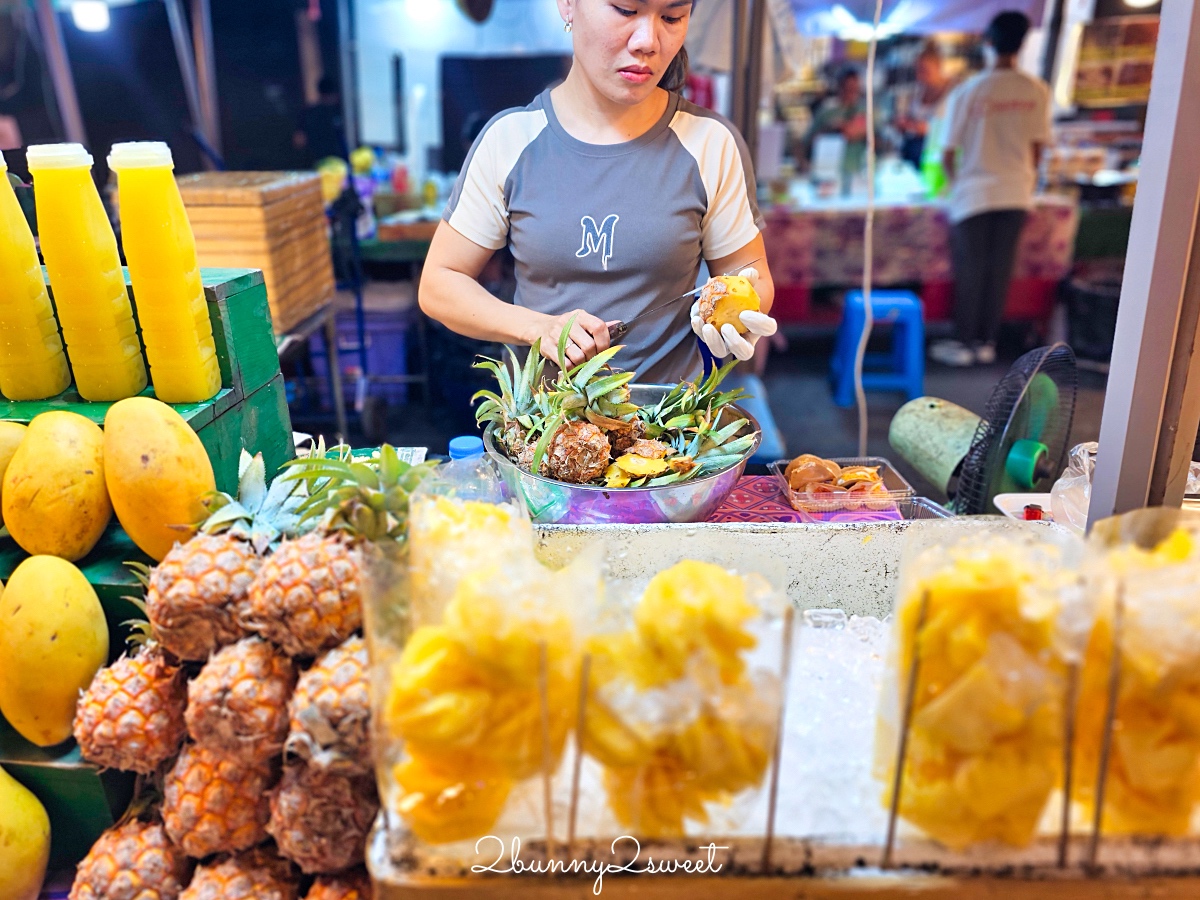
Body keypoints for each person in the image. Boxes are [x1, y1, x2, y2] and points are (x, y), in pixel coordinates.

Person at [418, 0, 777, 385]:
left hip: (670, 428)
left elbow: (750, 277)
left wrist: (737, 318)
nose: (648, 41)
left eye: (672, 17)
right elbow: (440, 283)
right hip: (542, 431)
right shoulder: (510, 141)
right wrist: (538, 328)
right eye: (625, 10)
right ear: (568, 4)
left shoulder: (709, 143)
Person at [931, 11, 1051, 367]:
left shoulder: (971, 90)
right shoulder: (1036, 91)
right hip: (1016, 191)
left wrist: (958, 182)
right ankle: (987, 341)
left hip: (974, 193)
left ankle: (964, 342)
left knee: (972, 269)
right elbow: (1038, 149)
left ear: (989, 41)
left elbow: (947, 152)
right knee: (1000, 269)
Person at [892, 41, 951, 172]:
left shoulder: (954, 92)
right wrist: (905, 124)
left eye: (924, 71)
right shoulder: (918, 92)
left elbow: (951, 128)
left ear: (938, 66)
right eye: (917, 70)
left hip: (938, 159)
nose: (920, 76)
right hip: (915, 156)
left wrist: (920, 128)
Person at [805, 68, 869, 182]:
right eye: (848, 88)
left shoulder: (865, 112)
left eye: (855, 89)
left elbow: (880, 143)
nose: (852, 92)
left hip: (857, 174)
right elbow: (808, 142)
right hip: (827, 175)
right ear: (840, 87)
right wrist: (831, 130)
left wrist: (862, 132)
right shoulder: (826, 111)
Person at [294, 75, 347, 167]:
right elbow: (299, 140)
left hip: (317, 162)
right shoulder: (342, 112)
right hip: (337, 163)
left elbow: (299, 141)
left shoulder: (309, 112)